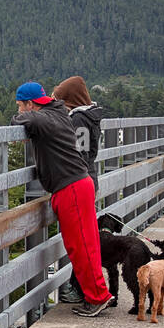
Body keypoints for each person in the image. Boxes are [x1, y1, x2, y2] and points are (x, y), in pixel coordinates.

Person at [12, 82, 113, 317]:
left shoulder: (44, 118)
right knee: (83, 243)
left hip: (72, 188)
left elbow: (26, 121)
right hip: (75, 185)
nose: (19, 111)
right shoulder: (58, 112)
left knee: (81, 246)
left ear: (30, 104)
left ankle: (97, 297)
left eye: (20, 106)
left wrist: (18, 120)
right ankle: (96, 294)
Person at [51, 75, 106, 305]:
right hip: (88, 178)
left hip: (79, 181)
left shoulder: (79, 120)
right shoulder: (89, 115)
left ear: (70, 100)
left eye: (60, 100)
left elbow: (80, 152)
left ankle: (79, 289)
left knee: (81, 239)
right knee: (85, 237)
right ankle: (82, 287)